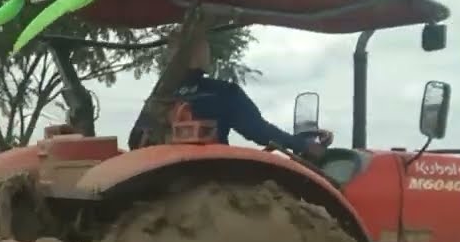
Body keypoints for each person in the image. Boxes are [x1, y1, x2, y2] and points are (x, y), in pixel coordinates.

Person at [128, 26, 332, 157]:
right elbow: (259, 132)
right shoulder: (223, 93)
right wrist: (303, 145)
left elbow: (134, 141)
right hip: (210, 180)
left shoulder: (160, 97)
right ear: (202, 54)